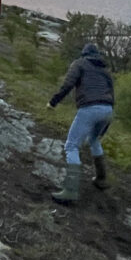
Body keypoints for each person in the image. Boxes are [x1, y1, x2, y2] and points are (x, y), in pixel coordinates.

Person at [48, 42, 114, 204]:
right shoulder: (105, 71)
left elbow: (68, 84)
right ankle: (101, 179)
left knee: (71, 146)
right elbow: (112, 95)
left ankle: (70, 191)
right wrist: (105, 125)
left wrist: (53, 102)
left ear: (84, 54)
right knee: (94, 140)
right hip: (107, 110)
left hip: (89, 108)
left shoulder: (79, 64)